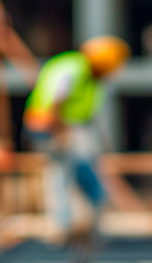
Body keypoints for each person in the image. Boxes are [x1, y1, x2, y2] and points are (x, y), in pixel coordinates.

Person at [24, 35, 131, 235]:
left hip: (70, 126)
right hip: (52, 126)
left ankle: (88, 220)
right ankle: (63, 225)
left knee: (79, 170)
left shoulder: (90, 75)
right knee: (61, 174)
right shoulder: (74, 68)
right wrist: (59, 130)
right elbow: (56, 98)